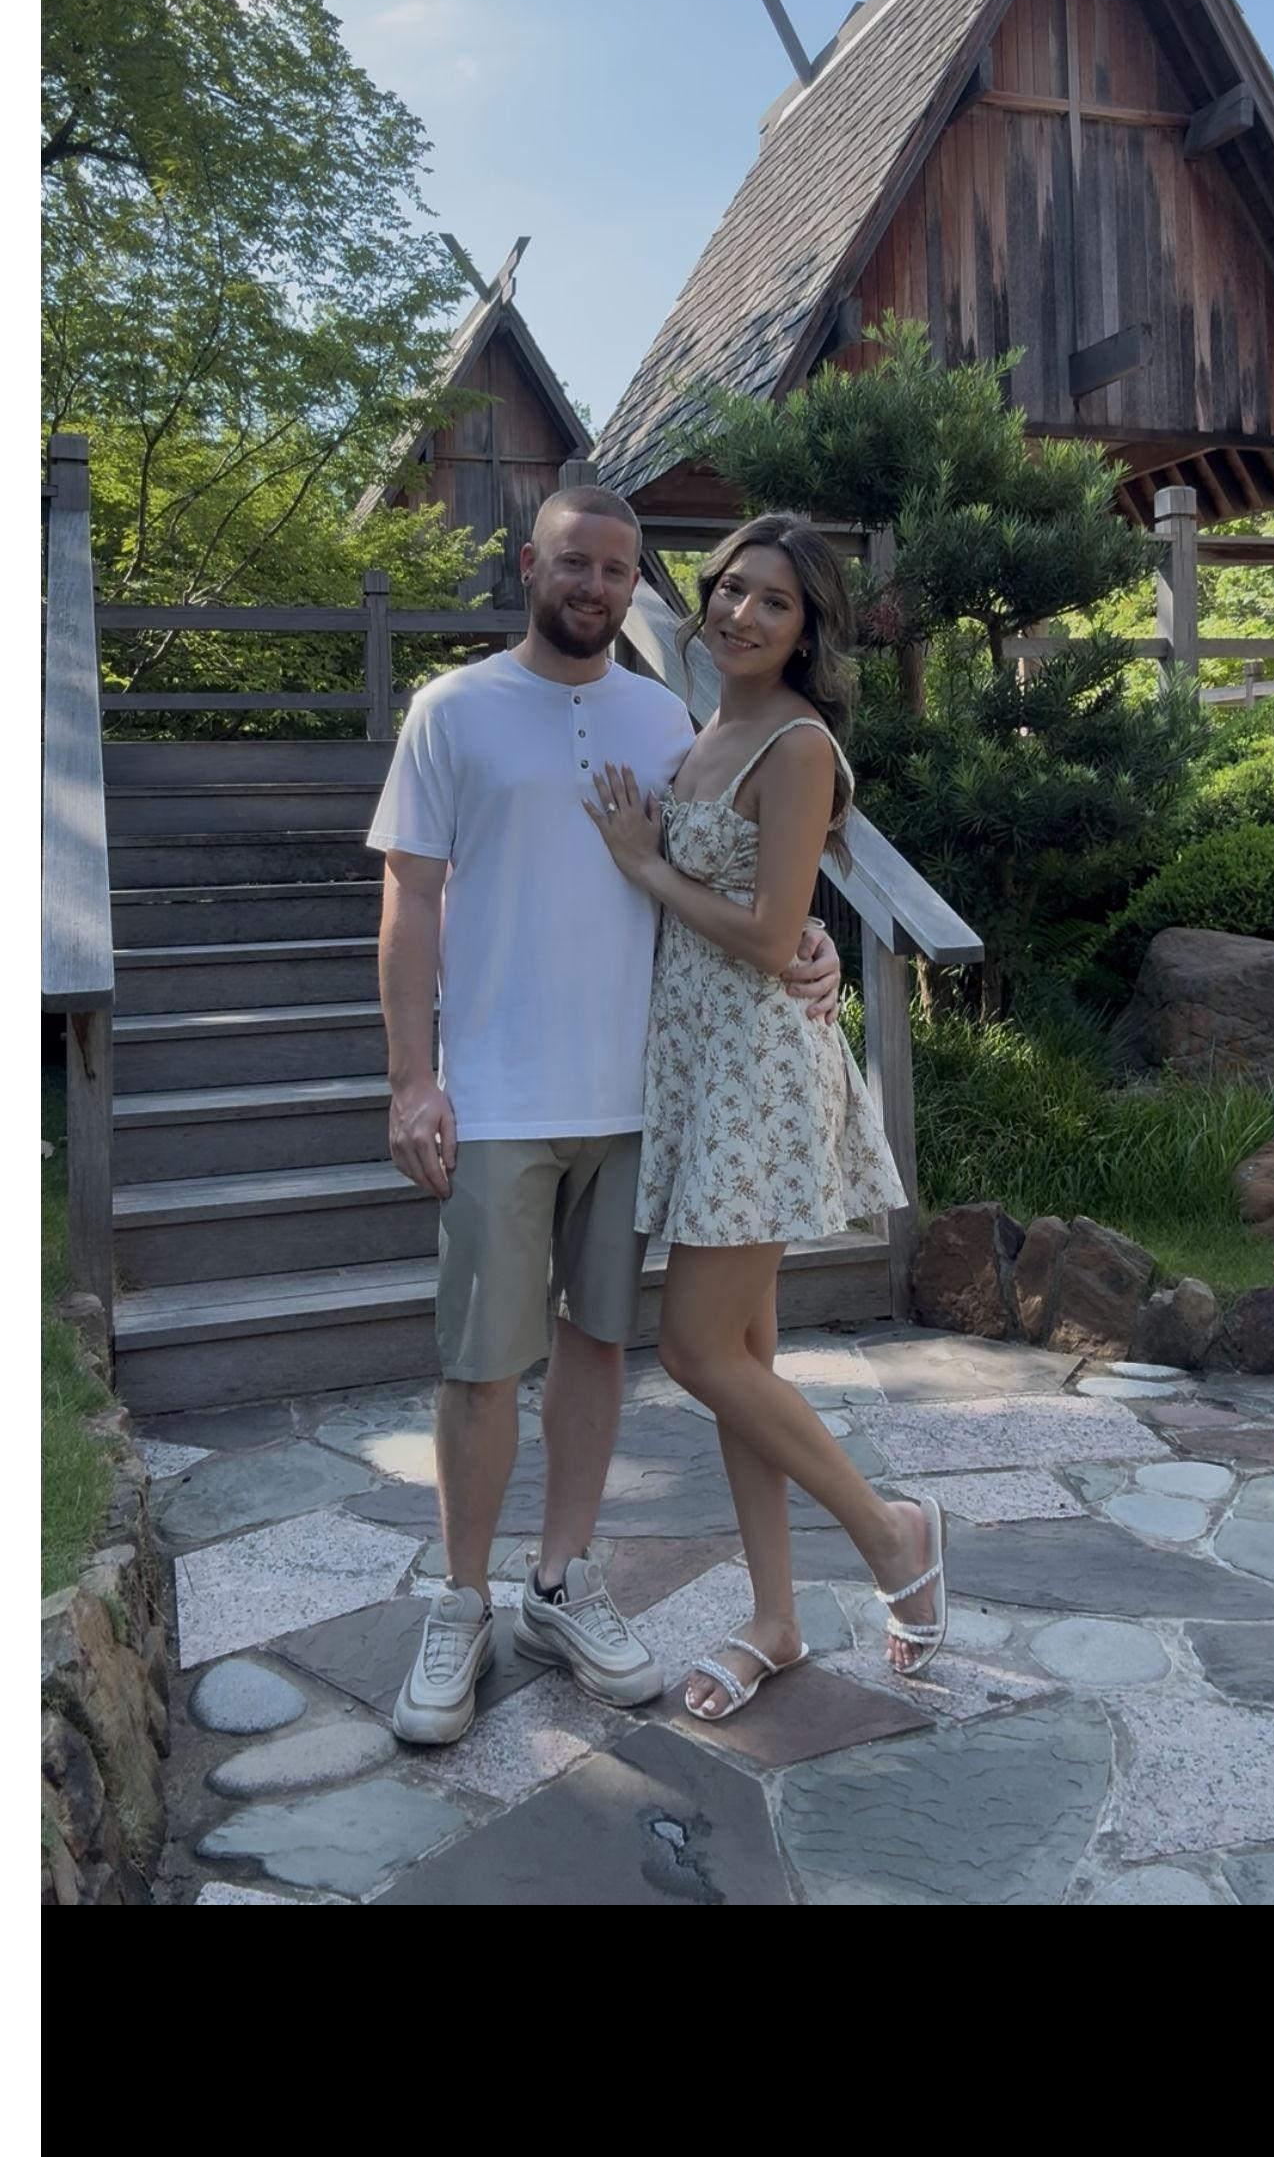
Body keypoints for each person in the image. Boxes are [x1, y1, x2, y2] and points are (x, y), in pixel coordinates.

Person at [365, 485, 843, 1745]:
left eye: (617, 571)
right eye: (574, 563)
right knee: (480, 1364)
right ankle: (461, 1601)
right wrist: (412, 1079)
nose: (594, 586)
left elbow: (736, 861)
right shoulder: (451, 709)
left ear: (638, 589)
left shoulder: (666, 718)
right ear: (530, 566)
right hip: (496, 1094)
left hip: (639, 1098)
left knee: (595, 1349)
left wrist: (814, 944)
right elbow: (409, 901)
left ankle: (561, 1583)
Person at [580, 511, 947, 1719]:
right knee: (744, 1362)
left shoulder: (795, 744)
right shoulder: (704, 732)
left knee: (695, 1351)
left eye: (773, 601)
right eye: (732, 588)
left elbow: (771, 929)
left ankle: (891, 1534)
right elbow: (766, 921)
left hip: (755, 1074)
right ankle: (777, 1622)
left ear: (806, 631)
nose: (741, 612)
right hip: (699, 1065)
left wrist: (645, 867)